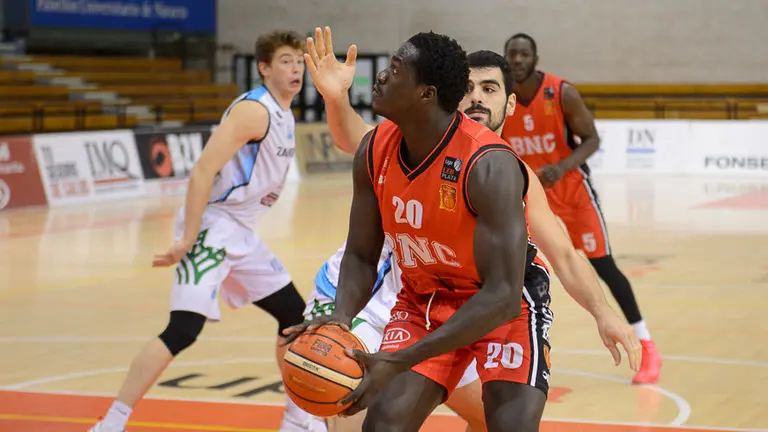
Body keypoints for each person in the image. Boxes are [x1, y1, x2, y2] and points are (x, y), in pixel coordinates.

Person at [282, 27, 639, 432]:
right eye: (471, 88)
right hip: (423, 298)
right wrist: (339, 318)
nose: (380, 76)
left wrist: (603, 312)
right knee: (383, 424)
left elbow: (527, 280)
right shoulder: (378, 146)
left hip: (503, 306)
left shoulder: (493, 166)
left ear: (427, 93)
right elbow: (362, 252)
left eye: (395, 70)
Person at [89, 30, 308, 432]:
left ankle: (297, 420)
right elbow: (203, 169)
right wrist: (188, 237)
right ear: (264, 68)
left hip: (242, 232)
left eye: (299, 61)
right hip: (213, 230)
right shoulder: (255, 111)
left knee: (295, 317)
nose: (296, 69)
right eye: (285, 61)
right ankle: (112, 422)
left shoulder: (284, 113)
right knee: (183, 330)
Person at [501, 33, 662, 384]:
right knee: (513, 266)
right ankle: (507, 346)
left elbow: (592, 139)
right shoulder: (500, 99)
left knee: (603, 265)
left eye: (524, 53)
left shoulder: (561, 93)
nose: (517, 59)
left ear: (535, 58)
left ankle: (647, 345)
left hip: (572, 188)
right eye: (511, 53)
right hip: (529, 192)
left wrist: (562, 167)